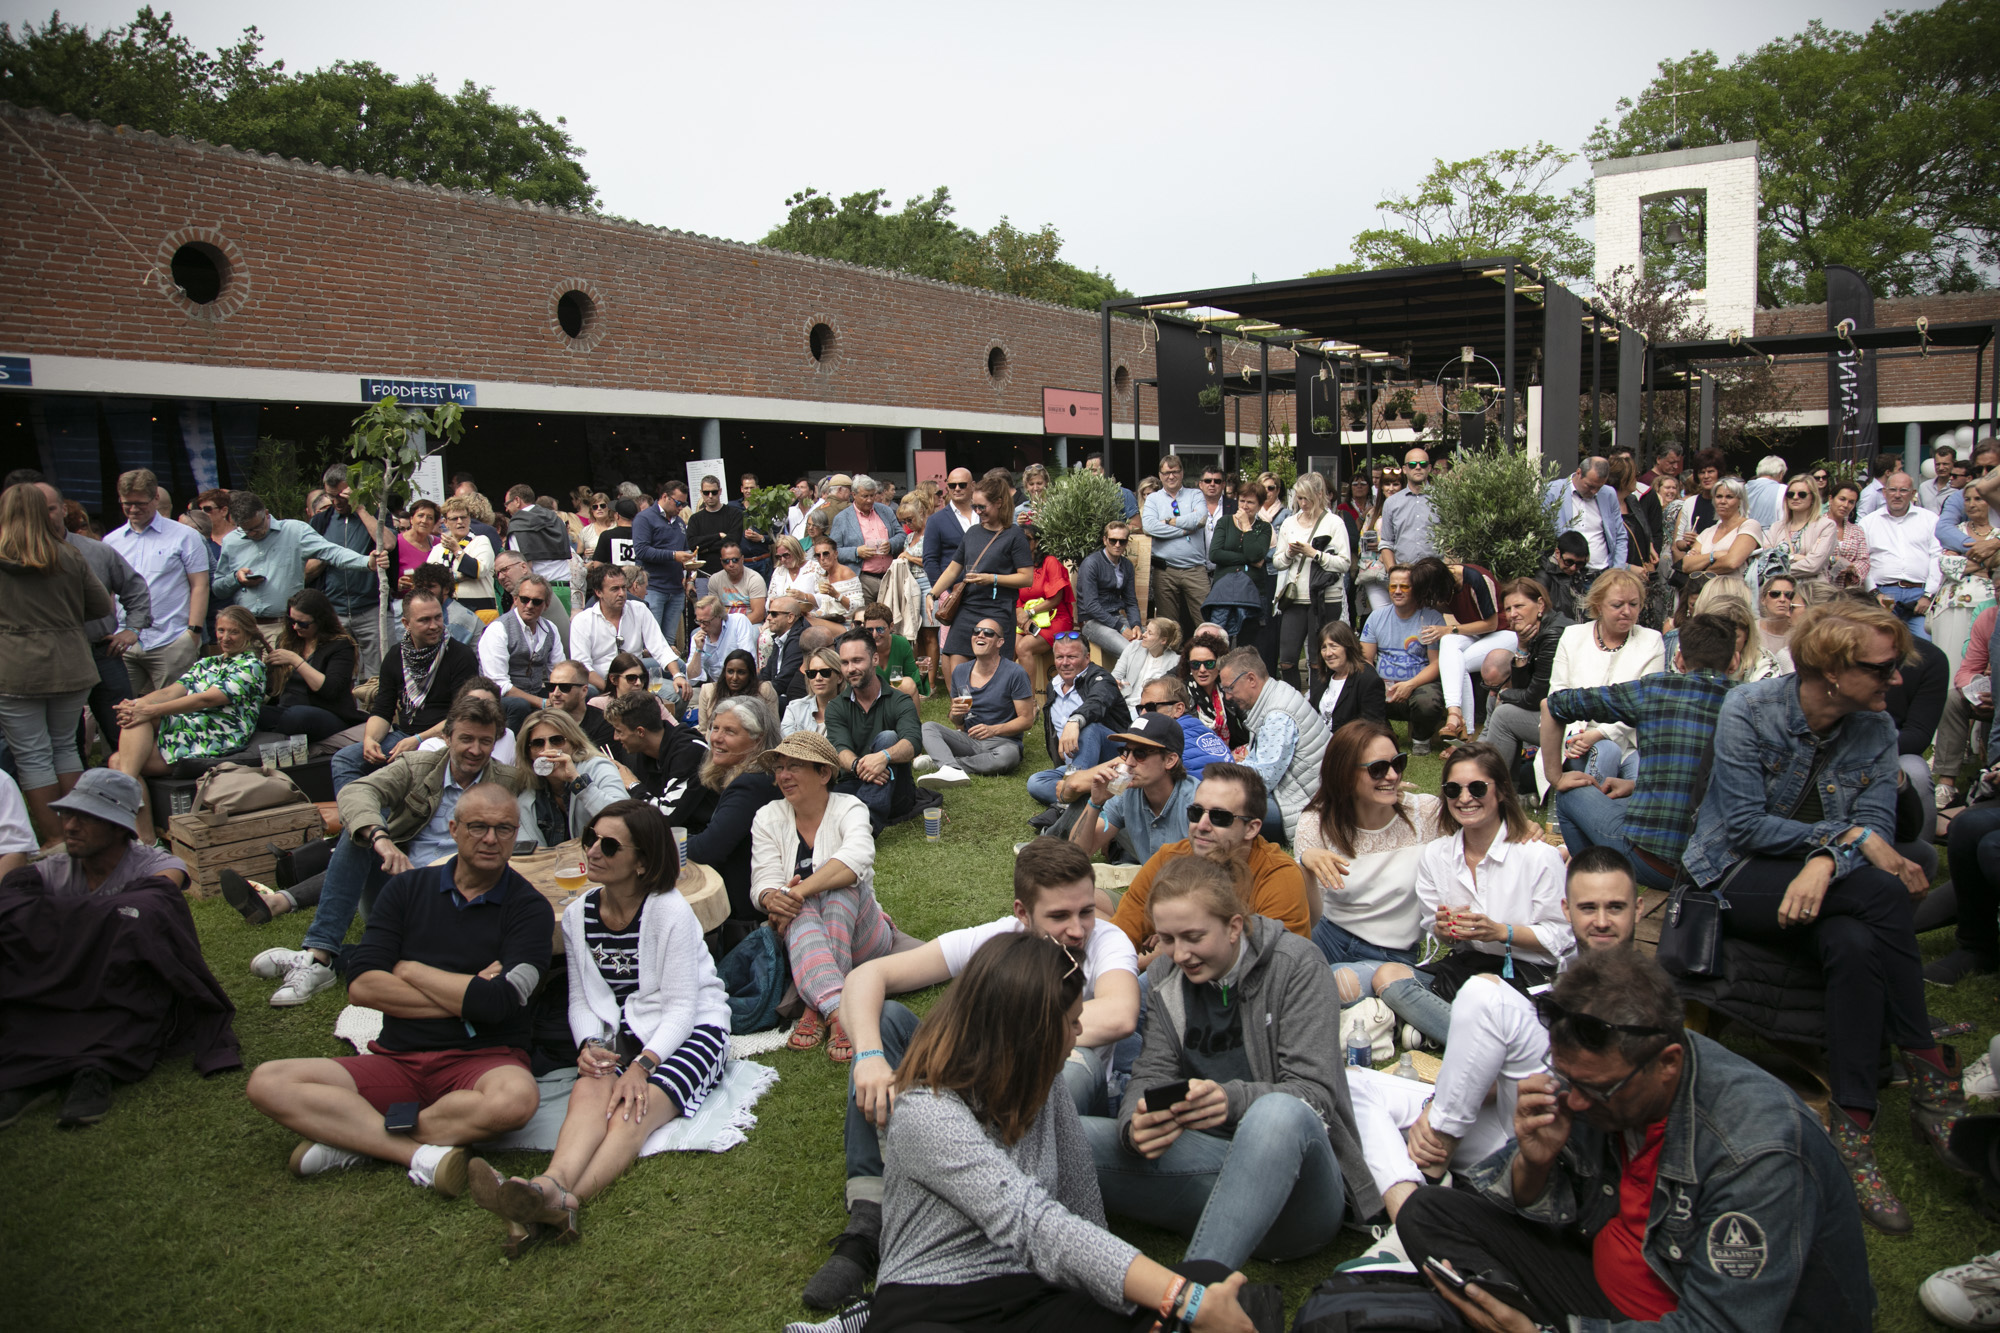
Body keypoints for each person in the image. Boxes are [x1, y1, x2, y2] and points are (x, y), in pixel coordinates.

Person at [1401, 951, 1876, 1333]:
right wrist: (1535, 1164)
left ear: (1668, 1063)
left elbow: (1721, 1323)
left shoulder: (1756, 1153)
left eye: (1595, 1090)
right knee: (1427, 1212)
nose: (1578, 1102)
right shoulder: (1605, 1074)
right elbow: (1525, 1202)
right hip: (1605, 1280)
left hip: (1680, 1317)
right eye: (1568, 1079)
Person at [1679, 600, 1958, 1234]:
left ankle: (1853, 1126)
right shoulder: (1750, 709)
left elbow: (1883, 830)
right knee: (1883, 896)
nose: (1896, 681)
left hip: (1831, 889)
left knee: (1856, 945)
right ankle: (1926, 1067)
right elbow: (1745, 825)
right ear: (1832, 670)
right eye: (1883, 669)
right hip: (1733, 877)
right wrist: (1846, 842)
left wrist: (1828, 859)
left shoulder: (1876, 731)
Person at [801, 839, 1143, 1310]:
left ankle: (985, 1233)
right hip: (978, 1091)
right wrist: (869, 1057)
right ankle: (868, 1218)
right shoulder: (999, 942)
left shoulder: (1107, 940)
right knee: (885, 1022)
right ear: (1022, 913)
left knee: (1067, 1074)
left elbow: (1121, 1014)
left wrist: (1010, 1035)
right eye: (1059, 917)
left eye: (1086, 911)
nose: (1079, 929)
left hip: (1058, 1086)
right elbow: (868, 977)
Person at [856, 932, 1254, 1333]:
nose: (1080, 1033)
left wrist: (1134, 1298)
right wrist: (1183, 1298)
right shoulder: (926, 1112)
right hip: (935, 1303)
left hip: (1034, 1292)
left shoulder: (1045, 1084)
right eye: (1072, 1022)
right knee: (1190, 1300)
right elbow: (1033, 1222)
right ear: (1030, 1034)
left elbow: (1082, 1201)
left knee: (1207, 1279)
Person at [244, 780, 548, 1197]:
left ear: (517, 834)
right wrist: (470, 995)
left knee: (515, 1101)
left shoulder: (530, 908)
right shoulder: (407, 890)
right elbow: (363, 985)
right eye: (478, 826)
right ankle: (413, 1153)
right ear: (453, 827)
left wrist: (408, 970)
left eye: (505, 829)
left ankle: (358, 1138)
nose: (491, 839)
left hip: (483, 1060)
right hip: (398, 1058)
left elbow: (500, 1004)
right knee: (267, 1081)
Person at [1084, 856, 1377, 1271]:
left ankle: (1196, 1288)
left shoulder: (1297, 966)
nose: (1179, 953)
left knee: (1275, 1115)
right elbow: (1153, 1071)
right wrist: (1137, 1121)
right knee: (1071, 1134)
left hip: (1299, 1184)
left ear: (1235, 926)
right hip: (1207, 1159)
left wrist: (1231, 1100)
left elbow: (1314, 1096)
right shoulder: (1168, 974)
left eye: (1193, 936)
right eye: (1166, 939)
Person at [463, 799, 727, 1254]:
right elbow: (582, 998)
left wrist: (642, 1066)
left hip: (690, 1030)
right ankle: (550, 1184)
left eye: (609, 845)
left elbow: (684, 1006)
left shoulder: (669, 911)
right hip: (621, 1028)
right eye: (591, 839)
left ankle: (565, 1200)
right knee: (590, 1089)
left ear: (642, 862)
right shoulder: (579, 915)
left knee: (631, 1110)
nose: (594, 851)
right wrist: (588, 1043)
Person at [1394, 848, 1643, 1193]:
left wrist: (1440, 1111)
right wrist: (1436, 1104)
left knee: (1484, 996)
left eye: (1615, 907)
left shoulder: (1642, 998)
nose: (1601, 921)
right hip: (1517, 1118)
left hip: (1563, 1152)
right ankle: (1407, 1188)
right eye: (1589, 908)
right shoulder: (1567, 970)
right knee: (1360, 1090)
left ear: (1638, 910)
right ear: (1567, 911)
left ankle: (1424, 1178)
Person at [253, 693, 519, 1009]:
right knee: (360, 837)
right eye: (466, 739)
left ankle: (325, 962)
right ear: (447, 736)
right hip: (403, 886)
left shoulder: (507, 781)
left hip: (463, 896)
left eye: (485, 741)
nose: (475, 750)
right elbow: (357, 791)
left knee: (444, 954)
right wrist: (381, 838)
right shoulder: (418, 767)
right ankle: (320, 949)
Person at [1372, 742, 1572, 1046]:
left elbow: (1562, 938)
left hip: (1528, 974)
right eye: (1453, 790)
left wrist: (1501, 932)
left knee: (1482, 990)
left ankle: (1438, 1027)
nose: (1465, 799)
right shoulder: (1437, 856)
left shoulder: (1538, 857)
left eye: (1477, 788)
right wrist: (1444, 931)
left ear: (1502, 791)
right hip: (1466, 966)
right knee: (1388, 977)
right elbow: (1440, 935)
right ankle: (1484, 1036)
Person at [1541, 613, 1741, 891]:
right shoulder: (1753, 705)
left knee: (1569, 794)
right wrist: (1635, 785)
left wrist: (1555, 776)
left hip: (1654, 863)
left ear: (1679, 660)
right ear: (1735, 661)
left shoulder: (1654, 690)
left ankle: (1595, 887)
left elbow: (1552, 706)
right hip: (1724, 869)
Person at [748, 731, 893, 1058]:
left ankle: (816, 1005)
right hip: (804, 929)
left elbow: (855, 858)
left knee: (840, 886)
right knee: (802, 906)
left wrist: (795, 892)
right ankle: (835, 1009)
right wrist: (774, 898)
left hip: (864, 932)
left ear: (824, 773)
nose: (783, 776)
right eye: (779, 768)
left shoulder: (849, 807)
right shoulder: (768, 817)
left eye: (794, 766)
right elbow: (764, 881)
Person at [1293, 720, 1439, 999]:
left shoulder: (1426, 813)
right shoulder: (1316, 822)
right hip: (1329, 937)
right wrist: (1306, 866)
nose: (1393, 775)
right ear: (1345, 774)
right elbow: (1312, 919)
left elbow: (1483, 825)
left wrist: (1523, 829)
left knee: (1337, 985)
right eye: (1378, 769)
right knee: (1277, 980)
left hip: (1391, 955)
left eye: (1398, 763)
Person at [0, 481, 112, 842]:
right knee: (65, 748)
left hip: (15, 669)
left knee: (31, 755)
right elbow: (101, 607)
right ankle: (81, 833)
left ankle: (54, 841)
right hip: (70, 663)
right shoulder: (68, 555)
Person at [1106, 763, 1312, 950]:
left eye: (1219, 817)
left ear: (1251, 829)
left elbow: (1277, 966)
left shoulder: (1278, 876)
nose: (1201, 825)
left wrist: (1172, 946)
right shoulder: (1168, 859)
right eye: (1195, 812)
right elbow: (1121, 936)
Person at [109, 606, 269, 842]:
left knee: (119, 758)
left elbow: (206, 698)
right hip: (189, 726)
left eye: (233, 632)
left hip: (217, 733)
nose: (225, 637)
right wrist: (134, 706)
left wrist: (147, 710)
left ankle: (142, 835)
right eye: (221, 630)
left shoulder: (252, 666)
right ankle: (145, 834)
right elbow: (170, 692)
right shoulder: (207, 663)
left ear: (248, 634)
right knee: (129, 733)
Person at [331, 592, 480, 792]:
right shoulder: (395, 655)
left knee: (399, 771)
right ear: (406, 623)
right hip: (404, 735)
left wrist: (418, 739)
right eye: (424, 620)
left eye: (438, 617)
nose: (435, 625)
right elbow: (383, 710)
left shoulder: (461, 656)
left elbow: (462, 717)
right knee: (344, 760)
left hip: (443, 737)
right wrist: (370, 740)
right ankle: (368, 822)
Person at [1538, 568, 1665, 787]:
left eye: (1633, 604)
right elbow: (1557, 694)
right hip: (1576, 737)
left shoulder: (1651, 640)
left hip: (1630, 740)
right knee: (1606, 752)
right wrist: (1574, 736)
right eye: (1618, 605)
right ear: (1598, 606)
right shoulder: (1573, 636)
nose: (1627, 611)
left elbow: (1648, 703)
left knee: (1640, 781)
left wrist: (1599, 734)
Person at [211, 490, 379, 638]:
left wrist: (365, 562)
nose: (255, 533)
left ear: (266, 513)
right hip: (244, 630)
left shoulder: (294, 530)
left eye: (258, 526)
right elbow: (218, 588)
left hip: (284, 627)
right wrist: (236, 579)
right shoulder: (231, 541)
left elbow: (332, 552)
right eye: (248, 531)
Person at [105, 466, 211, 698]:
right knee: (121, 713)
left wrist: (193, 633)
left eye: (140, 503)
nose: (133, 509)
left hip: (171, 637)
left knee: (176, 715)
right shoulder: (111, 541)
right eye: (126, 503)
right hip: (124, 640)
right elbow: (108, 591)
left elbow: (200, 585)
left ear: (155, 498)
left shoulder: (185, 536)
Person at [1215, 647, 1329, 843]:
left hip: (1304, 809)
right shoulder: (1278, 692)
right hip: (1299, 797)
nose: (1227, 697)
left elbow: (1262, 780)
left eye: (1230, 688)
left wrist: (1224, 774)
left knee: (1219, 811)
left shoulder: (1278, 715)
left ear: (1251, 679)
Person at [930, 474, 1034, 678]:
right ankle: (960, 708)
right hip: (967, 607)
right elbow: (953, 569)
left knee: (993, 671)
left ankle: (990, 708)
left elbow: (1026, 577)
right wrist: (933, 594)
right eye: (974, 506)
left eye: (982, 507)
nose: (977, 512)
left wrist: (992, 578)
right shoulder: (972, 533)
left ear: (999, 503)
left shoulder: (1014, 535)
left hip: (997, 608)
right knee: (954, 664)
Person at [30, 767, 189, 896]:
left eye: (85, 817)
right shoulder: (49, 870)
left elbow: (146, 907)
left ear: (119, 827)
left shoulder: (158, 867)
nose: (70, 827)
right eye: (67, 814)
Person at [917, 614, 1035, 783]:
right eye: (976, 631)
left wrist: (993, 730)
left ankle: (949, 765)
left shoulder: (1015, 673)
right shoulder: (960, 671)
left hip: (1002, 742)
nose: (980, 635)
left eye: (988, 633)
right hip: (969, 740)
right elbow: (958, 722)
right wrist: (955, 713)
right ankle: (949, 764)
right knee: (928, 727)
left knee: (1008, 757)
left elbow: (1026, 720)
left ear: (1000, 642)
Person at [1070, 712, 1197, 866]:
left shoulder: (1197, 803)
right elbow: (1077, 855)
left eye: (1140, 754)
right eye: (1125, 752)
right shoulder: (1127, 793)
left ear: (1170, 760)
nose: (1129, 762)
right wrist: (1095, 802)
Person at [828, 627, 924, 831]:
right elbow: (839, 748)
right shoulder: (836, 707)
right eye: (845, 663)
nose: (850, 668)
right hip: (853, 785)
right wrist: (859, 767)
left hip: (897, 789)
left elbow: (913, 742)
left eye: (857, 660)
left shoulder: (900, 700)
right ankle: (861, 819)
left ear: (875, 660)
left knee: (888, 738)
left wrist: (883, 757)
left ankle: (863, 827)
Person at [1027, 632, 1130, 809]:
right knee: (1035, 782)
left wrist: (1075, 721)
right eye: (1059, 657)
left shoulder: (1102, 679)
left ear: (1087, 657)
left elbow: (1097, 701)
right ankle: (1091, 795)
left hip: (1113, 761)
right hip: (1074, 766)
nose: (1065, 662)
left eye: (1072, 657)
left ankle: (1073, 796)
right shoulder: (1053, 685)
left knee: (1090, 728)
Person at [1410, 557, 1507, 743]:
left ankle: (1465, 732)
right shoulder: (1443, 582)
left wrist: (1450, 629)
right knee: (1448, 643)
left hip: (1502, 632)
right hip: (1475, 633)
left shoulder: (1476, 579)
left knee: (1456, 660)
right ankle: (1455, 714)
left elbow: (1492, 623)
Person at [259, 589, 364, 742]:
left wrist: (296, 661)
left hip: (325, 714)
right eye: (291, 621)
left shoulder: (340, 645)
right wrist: (269, 670)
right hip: (285, 711)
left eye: (302, 623)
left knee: (298, 716)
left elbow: (330, 690)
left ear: (320, 621)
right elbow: (273, 691)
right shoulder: (286, 639)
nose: (295, 627)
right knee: (252, 713)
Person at [1361, 566, 1446, 754]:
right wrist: (1376, 683)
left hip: (1418, 687)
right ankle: (1386, 735)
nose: (1397, 591)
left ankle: (1421, 739)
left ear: (1416, 588)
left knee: (1429, 702)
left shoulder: (1432, 618)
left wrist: (1410, 685)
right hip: (1383, 687)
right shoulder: (1376, 617)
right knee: (1357, 690)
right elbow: (1365, 659)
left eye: (1404, 587)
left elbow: (1436, 663)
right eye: (1393, 587)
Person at [513, 708, 626, 849]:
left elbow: (625, 819)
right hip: (551, 867)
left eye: (557, 740)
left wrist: (577, 782)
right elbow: (525, 847)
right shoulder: (526, 786)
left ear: (574, 743)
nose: (547, 749)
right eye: (538, 743)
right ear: (528, 752)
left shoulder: (597, 766)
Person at [568, 563, 684, 695]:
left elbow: (661, 648)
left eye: (623, 588)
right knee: (585, 692)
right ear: (598, 592)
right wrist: (611, 690)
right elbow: (582, 667)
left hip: (636, 679)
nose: (622, 593)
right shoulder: (582, 620)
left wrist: (677, 676)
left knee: (678, 690)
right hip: (602, 681)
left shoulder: (639, 609)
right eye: (615, 589)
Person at [604, 690, 712, 830]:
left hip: (698, 838)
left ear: (640, 732)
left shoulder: (690, 753)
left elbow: (666, 817)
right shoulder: (643, 752)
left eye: (619, 731)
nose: (615, 738)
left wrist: (632, 785)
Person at [1860, 468, 1943, 642]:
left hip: (1919, 595)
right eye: (1892, 490)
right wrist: (1874, 594)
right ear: (1884, 492)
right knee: (1884, 645)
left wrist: (1929, 595)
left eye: (1903, 490)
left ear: (1913, 493)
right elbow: (1863, 560)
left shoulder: (1930, 519)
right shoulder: (1868, 523)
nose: (1897, 495)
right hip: (1884, 595)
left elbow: (1937, 557)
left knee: (1924, 648)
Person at [474, 574, 565, 733]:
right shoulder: (498, 629)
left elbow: (558, 671)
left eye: (536, 601)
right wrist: (541, 702)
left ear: (546, 605)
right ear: (515, 599)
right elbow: (499, 685)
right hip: (497, 699)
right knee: (519, 705)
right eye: (524, 599)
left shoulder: (550, 628)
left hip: (535, 691)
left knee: (579, 693)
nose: (529, 605)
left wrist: (563, 693)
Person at [1673, 476, 1763, 612]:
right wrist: (1714, 555)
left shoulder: (1749, 525)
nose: (1722, 501)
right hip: (1704, 597)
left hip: (1732, 596)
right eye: (1719, 496)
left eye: (1729, 497)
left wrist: (1701, 568)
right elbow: (1686, 564)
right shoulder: (1709, 531)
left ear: (1740, 501)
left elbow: (1732, 562)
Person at [1543, 457, 1628, 574]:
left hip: (1602, 574)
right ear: (1579, 473)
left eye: (1599, 487)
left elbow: (1620, 535)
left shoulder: (1608, 494)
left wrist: (1617, 570)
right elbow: (1541, 534)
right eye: (1590, 486)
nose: (1594, 492)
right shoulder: (1552, 491)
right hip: (1565, 573)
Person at [630, 480, 688, 647]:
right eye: (678, 503)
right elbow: (641, 551)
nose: (681, 507)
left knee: (669, 643)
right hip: (653, 588)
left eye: (684, 504)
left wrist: (689, 561)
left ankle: (667, 673)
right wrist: (673, 555)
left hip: (676, 588)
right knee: (650, 643)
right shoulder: (644, 518)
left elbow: (683, 550)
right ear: (665, 496)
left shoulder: (679, 522)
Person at [1075, 519, 1141, 660]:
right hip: (1092, 621)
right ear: (1105, 540)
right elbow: (1091, 606)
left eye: (1122, 541)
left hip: (1116, 617)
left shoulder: (1127, 565)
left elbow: (1131, 601)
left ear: (1126, 543)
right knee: (1129, 651)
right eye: (1113, 540)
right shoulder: (1091, 564)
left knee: (1149, 644)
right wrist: (1121, 628)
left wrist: (1136, 624)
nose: (1117, 545)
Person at [503, 484, 577, 611]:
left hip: (538, 593)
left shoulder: (518, 523)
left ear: (517, 501)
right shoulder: (556, 519)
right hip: (565, 589)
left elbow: (524, 567)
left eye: (507, 504)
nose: (506, 509)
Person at [1768, 475, 1838, 602]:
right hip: (1780, 595)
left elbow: (1813, 565)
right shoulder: (1776, 527)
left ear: (1813, 497)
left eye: (1802, 494)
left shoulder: (1826, 525)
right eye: (1790, 494)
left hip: (1812, 595)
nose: (1795, 497)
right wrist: (1796, 557)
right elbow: (1766, 561)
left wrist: (1780, 566)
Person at [1309, 620, 1386, 734]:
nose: (1328, 653)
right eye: (1324, 648)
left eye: (1333, 646)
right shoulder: (1324, 678)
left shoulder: (1368, 680)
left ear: (1348, 647)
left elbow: (1372, 727)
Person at [430, 496, 496, 614]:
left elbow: (478, 570)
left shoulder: (480, 541)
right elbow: (430, 579)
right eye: (454, 519)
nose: (460, 522)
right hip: (447, 609)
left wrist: (456, 550)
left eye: (463, 517)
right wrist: (459, 576)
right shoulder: (437, 549)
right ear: (445, 522)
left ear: (469, 519)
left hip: (479, 609)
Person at [1379, 447, 1439, 577]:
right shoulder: (1391, 503)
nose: (1418, 467)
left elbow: (1452, 542)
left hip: (1436, 574)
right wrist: (1393, 572)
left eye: (1422, 464)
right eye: (1412, 465)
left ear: (1429, 468)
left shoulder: (1443, 500)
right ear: (1405, 470)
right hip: (1405, 576)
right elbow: (1386, 543)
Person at [1184, 630, 1245, 750]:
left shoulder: (1229, 691)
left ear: (1219, 664)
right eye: (1195, 664)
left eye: (1209, 664)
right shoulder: (1181, 694)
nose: (1202, 669)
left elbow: (1249, 721)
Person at [541, 658, 614, 751]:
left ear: (584, 691)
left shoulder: (603, 724)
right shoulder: (540, 722)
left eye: (564, 687)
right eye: (551, 686)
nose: (555, 693)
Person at [1110, 616, 1180, 711]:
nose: (1143, 634)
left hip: (1151, 710)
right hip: (1125, 704)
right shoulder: (1133, 648)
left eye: (1150, 633)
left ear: (1163, 640)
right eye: (1146, 630)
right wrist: (1116, 683)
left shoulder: (1175, 661)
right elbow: (1116, 675)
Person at [860, 603, 924, 701]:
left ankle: (911, 716)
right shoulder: (861, 647)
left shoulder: (901, 643)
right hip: (868, 697)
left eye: (880, 629)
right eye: (869, 630)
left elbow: (913, 681)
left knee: (908, 683)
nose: (874, 635)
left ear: (891, 626)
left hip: (896, 697)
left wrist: (923, 672)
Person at [783, 645, 845, 738]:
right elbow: (787, 745)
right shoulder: (794, 709)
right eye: (812, 673)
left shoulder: (850, 711)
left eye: (825, 672)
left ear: (839, 677)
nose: (818, 678)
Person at [1823, 478, 1871, 595]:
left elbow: (1864, 561)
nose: (1845, 505)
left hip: (1847, 590)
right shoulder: (1817, 525)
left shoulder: (1857, 531)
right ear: (1831, 499)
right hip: (1821, 588)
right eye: (1842, 499)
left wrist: (1850, 567)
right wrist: (1835, 560)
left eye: (1851, 502)